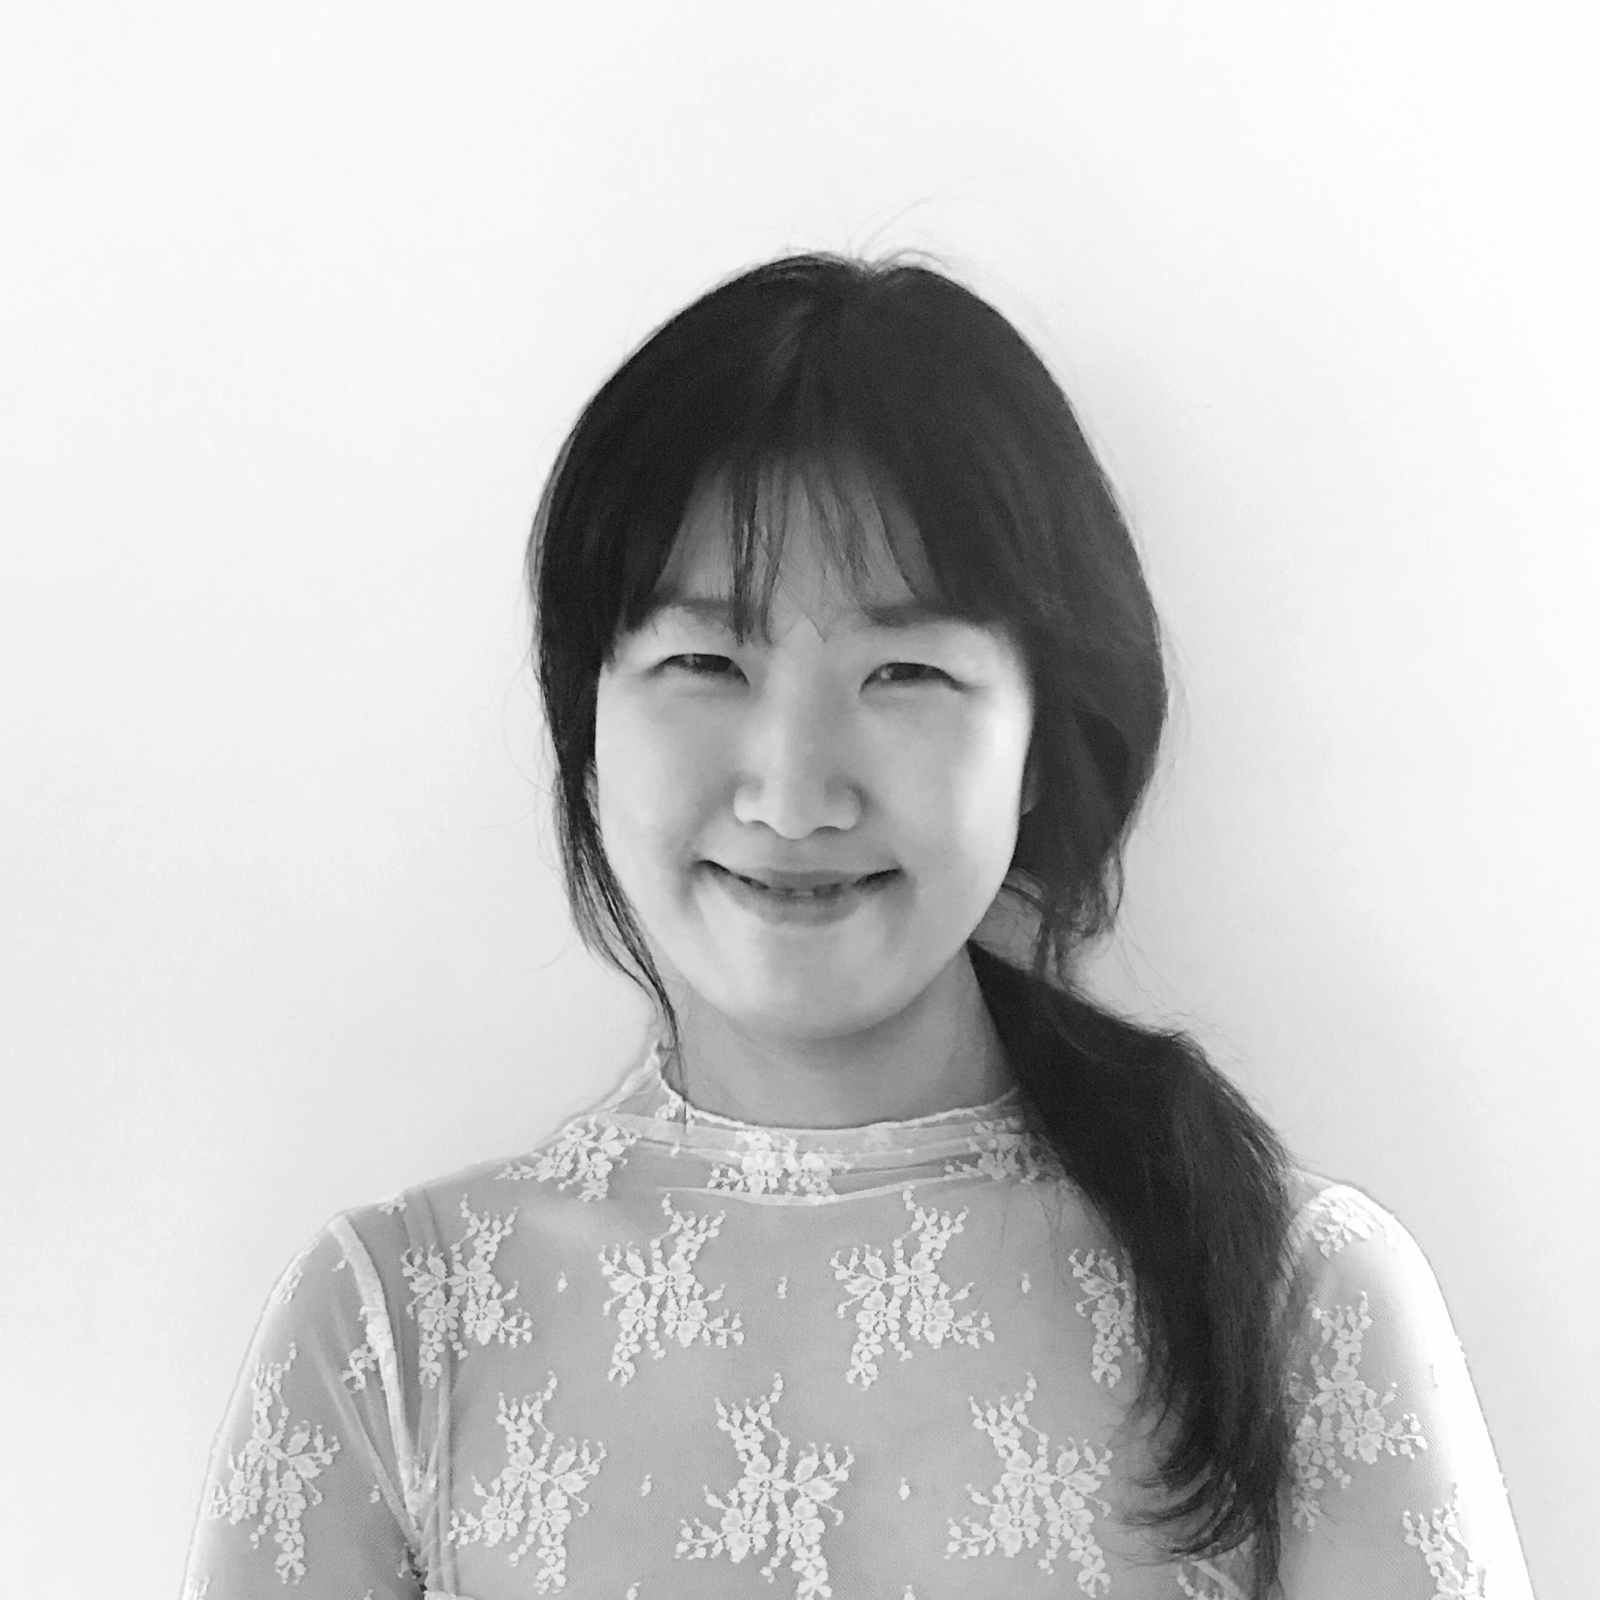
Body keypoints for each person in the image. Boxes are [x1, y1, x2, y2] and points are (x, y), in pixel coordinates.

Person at [182, 254, 1534, 1600]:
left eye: (905, 672)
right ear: (587, 727)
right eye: (706, 663)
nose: (792, 790)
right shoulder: (388, 1338)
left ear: (1042, 748)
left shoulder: (1307, 1309)